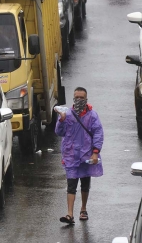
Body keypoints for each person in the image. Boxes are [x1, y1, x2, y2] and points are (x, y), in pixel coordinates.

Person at [54, 87, 104, 225]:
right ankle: (69, 214)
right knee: (71, 184)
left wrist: (95, 153)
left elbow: (98, 134)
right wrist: (61, 120)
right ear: (73, 98)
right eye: (77, 97)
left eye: (82, 97)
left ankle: (83, 209)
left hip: (86, 155)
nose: (79, 100)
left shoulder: (92, 116)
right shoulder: (67, 114)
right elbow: (59, 132)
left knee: (85, 184)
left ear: (86, 99)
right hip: (71, 155)